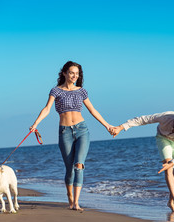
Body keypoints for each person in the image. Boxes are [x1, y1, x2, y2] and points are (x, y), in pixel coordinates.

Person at [30, 61, 113, 211]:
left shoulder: (81, 91)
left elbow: (93, 110)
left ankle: (76, 202)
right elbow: (47, 108)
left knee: (79, 165)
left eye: (77, 73)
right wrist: (35, 124)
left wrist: (107, 125)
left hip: (82, 130)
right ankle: (70, 199)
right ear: (64, 73)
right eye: (71, 73)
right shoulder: (56, 91)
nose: (74, 76)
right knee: (69, 169)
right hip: (65, 132)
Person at [110, 107, 174, 213]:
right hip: (163, 139)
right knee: (167, 167)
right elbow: (143, 119)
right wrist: (121, 127)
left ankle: (171, 201)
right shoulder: (165, 117)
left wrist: (173, 162)